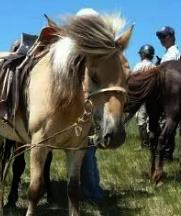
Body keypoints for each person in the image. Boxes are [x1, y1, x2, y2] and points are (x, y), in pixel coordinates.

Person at [75, 7, 104, 204]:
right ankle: (91, 191)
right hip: (82, 104)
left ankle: (91, 191)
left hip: (87, 105)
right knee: (88, 151)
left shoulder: (90, 50)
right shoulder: (88, 49)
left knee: (88, 150)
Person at [155, 26, 180, 160]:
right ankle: (166, 153)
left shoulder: (173, 54)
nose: (161, 40)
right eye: (159, 37)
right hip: (165, 92)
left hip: (168, 93)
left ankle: (167, 154)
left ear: (171, 36)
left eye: (163, 36)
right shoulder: (167, 53)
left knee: (167, 123)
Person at [132, 44, 157, 150]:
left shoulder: (139, 65)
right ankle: (152, 143)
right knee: (150, 120)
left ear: (143, 54)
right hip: (153, 97)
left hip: (142, 96)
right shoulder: (155, 67)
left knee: (141, 119)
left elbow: (132, 78)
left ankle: (145, 144)